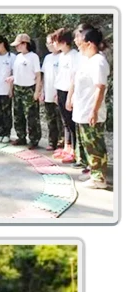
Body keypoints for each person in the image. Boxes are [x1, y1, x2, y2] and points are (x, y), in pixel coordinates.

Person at [70, 26, 110, 189]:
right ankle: (93, 172)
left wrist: (94, 111)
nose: (77, 43)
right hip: (82, 110)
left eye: (80, 41)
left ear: (89, 43)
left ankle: (99, 178)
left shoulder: (98, 61)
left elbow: (100, 88)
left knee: (95, 145)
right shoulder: (87, 60)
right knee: (87, 145)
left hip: (91, 111)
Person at [53, 28, 81, 164]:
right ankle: (67, 148)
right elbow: (60, 76)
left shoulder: (74, 56)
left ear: (63, 42)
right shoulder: (61, 56)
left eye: (55, 41)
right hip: (60, 90)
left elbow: (74, 78)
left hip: (69, 92)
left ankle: (75, 151)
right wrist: (56, 92)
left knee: (71, 122)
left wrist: (70, 96)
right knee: (65, 121)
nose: (54, 44)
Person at [10, 33, 43, 148]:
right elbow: (17, 73)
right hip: (18, 88)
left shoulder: (33, 57)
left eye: (18, 45)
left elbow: (38, 75)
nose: (16, 47)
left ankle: (34, 139)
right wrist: (12, 80)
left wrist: (37, 91)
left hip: (29, 89)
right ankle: (21, 137)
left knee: (31, 116)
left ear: (25, 44)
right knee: (18, 114)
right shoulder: (18, 57)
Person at [42, 33, 63, 151]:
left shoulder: (63, 57)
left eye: (50, 43)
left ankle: (62, 143)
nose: (48, 45)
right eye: (47, 43)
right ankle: (52, 142)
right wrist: (42, 91)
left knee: (61, 120)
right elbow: (44, 76)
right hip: (48, 93)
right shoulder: (47, 58)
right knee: (50, 119)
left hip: (59, 93)